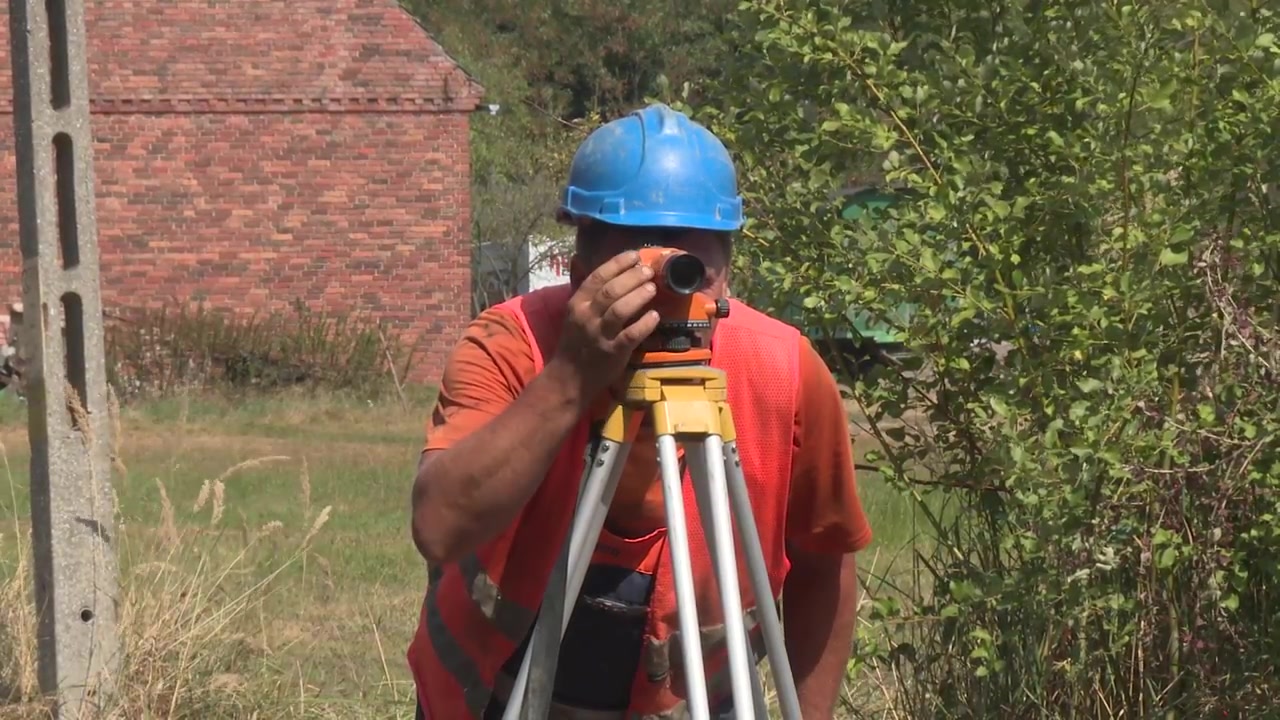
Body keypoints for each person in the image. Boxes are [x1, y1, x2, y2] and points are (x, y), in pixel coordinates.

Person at [407, 103, 873, 720]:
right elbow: (439, 527)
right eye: (632, 276)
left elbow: (825, 562)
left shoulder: (782, 371)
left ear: (726, 279)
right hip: (496, 695)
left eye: (688, 274)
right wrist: (571, 376)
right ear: (577, 275)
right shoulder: (511, 345)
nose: (662, 304)